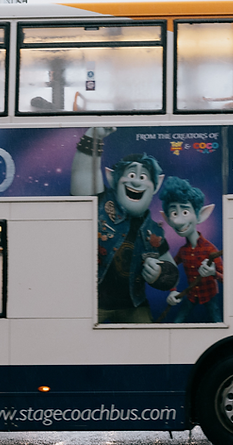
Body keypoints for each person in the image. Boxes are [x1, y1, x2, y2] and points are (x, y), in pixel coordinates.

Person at [70, 127, 179, 323]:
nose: (136, 182)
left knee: (148, 345)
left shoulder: (154, 231)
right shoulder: (101, 204)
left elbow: (171, 270)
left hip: (134, 305)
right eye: (130, 175)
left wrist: (161, 274)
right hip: (94, 305)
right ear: (112, 178)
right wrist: (93, 137)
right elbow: (84, 176)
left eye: (143, 177)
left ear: (157, 185)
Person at [160, 177, 223, 323]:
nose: (178, 220)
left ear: (200, 215)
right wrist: (172, 291)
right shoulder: (183, 251)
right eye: (174, 214)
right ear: (168, 218)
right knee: (177, 322)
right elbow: (171, 269)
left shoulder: (210, 249)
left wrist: (214, 273)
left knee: (217, 321)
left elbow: (227, 278)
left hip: (210, 295)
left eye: (185, 212)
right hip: (191, 295)